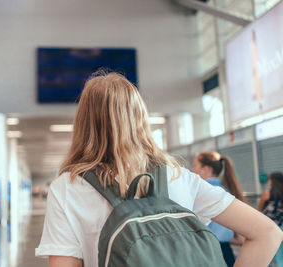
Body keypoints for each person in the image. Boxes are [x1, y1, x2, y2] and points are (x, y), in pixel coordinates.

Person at [35, 71, 283, 267]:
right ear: (140, 119)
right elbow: (268, 232)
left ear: (84, 123)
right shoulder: (179, 176)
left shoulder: (68, 188)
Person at [192, 151, 246, 267]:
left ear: (205, 169)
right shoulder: (224, 190)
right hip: (226, 251)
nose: (193, 170)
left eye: (195, 165)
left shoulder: (205, 192)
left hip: (210, 253)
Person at [259, 172, 283, 266]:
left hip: (269, 229)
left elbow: (259, 210)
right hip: (281, 227)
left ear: (272, 181)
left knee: (267, 255)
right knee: (280, 256)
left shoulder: (267, 194)